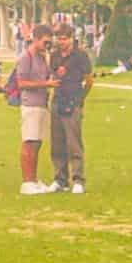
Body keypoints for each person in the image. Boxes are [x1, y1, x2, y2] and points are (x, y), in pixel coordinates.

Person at [13, 24, 56, 195]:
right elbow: (21, 83)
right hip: (30, 104)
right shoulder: (25, 57)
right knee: (29, 142)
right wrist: (46, 84)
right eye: (45, 42)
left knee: (37, 143)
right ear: (36, 39)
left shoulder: (42, 57)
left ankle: (34, 179)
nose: (48, 45)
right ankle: (27, 181)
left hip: (42, 103)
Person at [49, 23, 92, 193]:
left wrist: (81, 99)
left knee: (74, 143)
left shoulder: (81, 56)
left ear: (71, 38)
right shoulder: (54, 56)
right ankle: (60, 179)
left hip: (73, 101)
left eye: (64, 39)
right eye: (59, 38)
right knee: (57, 143)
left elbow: (89, 80)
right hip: (57, 100)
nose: (61, 42)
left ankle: (78, 179)